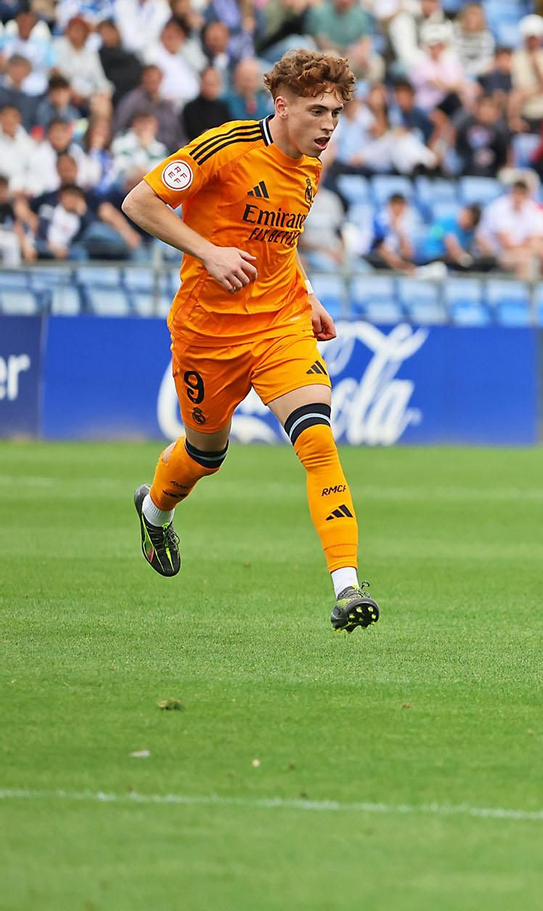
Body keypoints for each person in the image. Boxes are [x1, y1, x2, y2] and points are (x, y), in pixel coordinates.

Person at [117, 49, 380, 632]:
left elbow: (281, 243)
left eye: (336, 113)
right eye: (317, 112)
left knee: (317, 440)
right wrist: (208, 252)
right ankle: (155, 510)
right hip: (207, 334)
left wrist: (307, 294)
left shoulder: (310, 167)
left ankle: (347, 586)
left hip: (280, 323)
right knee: (205, 454)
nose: (329, 125)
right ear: (282, 106)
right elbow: (140, 202)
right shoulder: (227, 147)